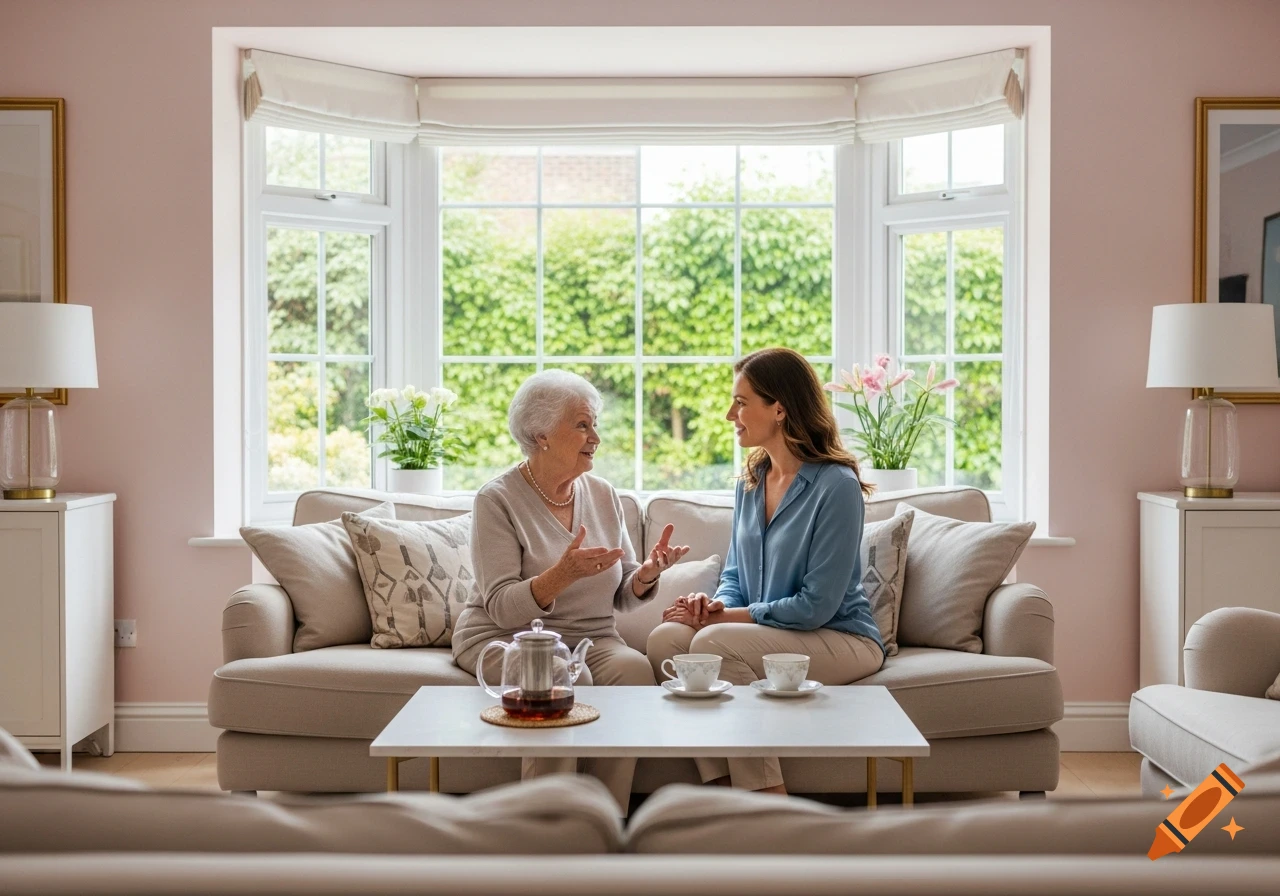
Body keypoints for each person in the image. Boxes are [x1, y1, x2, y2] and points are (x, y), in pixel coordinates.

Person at [646, 347, 885, 794]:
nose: (728, 414)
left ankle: (766, 798)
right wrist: (715, 604)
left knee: (713, 640)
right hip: (776, 632)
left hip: (841, 636)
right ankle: (721, 787)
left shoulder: (836, 486)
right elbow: (736, 575)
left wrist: (720, 620)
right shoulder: (751, 481)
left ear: (779, 408)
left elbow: (817, 605)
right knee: (667, 640)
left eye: (741, 402)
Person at [453, 369, 688, 811]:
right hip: (511, 637)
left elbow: (622, 590)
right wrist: (561, 574)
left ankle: (606, 817)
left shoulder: (602, 493)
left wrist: (648, 575)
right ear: (541, 434)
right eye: (582, 424)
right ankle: (548, 824)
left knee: (634, 671)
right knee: (561, 678)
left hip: (593, 637)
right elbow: (502, 606)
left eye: (594, 423)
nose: (595, 436)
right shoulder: (497, 499)